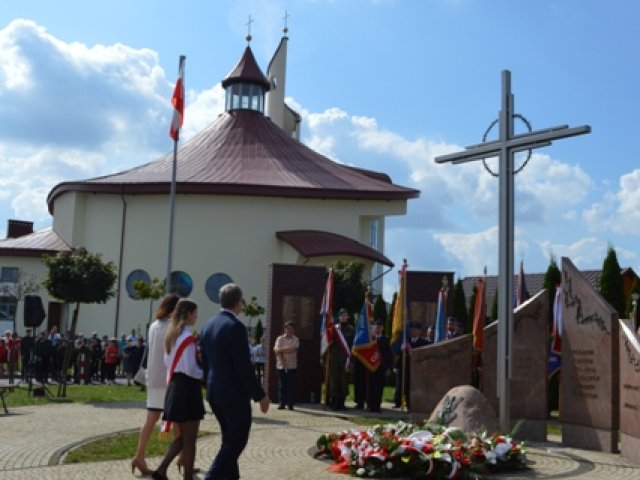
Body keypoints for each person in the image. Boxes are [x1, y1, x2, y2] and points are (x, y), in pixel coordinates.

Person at [200, 283, 269, 480]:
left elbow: (204, 362)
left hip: (215, 393)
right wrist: (260, 395)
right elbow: (243, 366)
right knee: (236, 441)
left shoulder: (208, 325)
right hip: (233, 395)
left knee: (228, 440)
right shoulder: (235, 326)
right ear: (239, 303)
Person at [152, 298, 203, 480]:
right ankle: (187, 477)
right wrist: (203, 374)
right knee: (190, 439)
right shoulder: (187, 338)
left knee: (182, 437)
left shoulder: (171, 335)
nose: (196, 317)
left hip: (175, 386)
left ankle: (161, 470)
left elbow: (169, 363)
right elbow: (190, 368)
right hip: (187, 388)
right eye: (195, 313)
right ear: (188, 314)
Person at [131, 293, 180, 476]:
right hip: (166, 377)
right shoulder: (172, 327)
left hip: (153, 376)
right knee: (176, 418)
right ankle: (182, 457)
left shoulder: (153, 325)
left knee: (152, 418)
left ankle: (140, 455)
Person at [393, 322, 427, 409]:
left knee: (412, 387)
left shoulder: (424, 342)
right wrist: (397, 366)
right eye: (412, 330)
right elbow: (400, 356)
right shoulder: (406, 341)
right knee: (401, 384)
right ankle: (398, 402)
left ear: (419, 331)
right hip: (405, 367)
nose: (414, 331)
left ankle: (410, 404)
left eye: (416, 330)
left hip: (417, 368)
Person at [326, 308, 354, 411]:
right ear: (339, 317)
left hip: (345, 359)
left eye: (345, 315)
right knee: (334, 381)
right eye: (341, 315)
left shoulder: (351, 330)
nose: (343, 317)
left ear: (348, 317)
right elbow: (328, 343)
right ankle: (334, 403)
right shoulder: (334, 329)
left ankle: (342, 403)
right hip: (334, 359)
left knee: (344, 381)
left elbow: (353, 346)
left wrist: (351, 361)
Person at [367, 319, 393, 413]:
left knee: (379, 387)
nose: (378, 328)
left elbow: (389, 355)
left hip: (382, 367)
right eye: (376, 327)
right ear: (373, 328)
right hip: (371, 366)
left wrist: (389, 368)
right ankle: (370, 405)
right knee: (371, 386)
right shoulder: (370, 338)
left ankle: (377, 406)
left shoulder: (386, 339)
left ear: (382, 328)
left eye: (380, 327)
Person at [273, 321, 299, 410]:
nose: (289, 330)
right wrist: (279, 351)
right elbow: (276, 351)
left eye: (291, 328)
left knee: (290, 386)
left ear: (294, 330)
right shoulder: (279, 339)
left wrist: (280, 350)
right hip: (281, 366)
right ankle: (282, 403)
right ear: (285, 329)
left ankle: (290, 404)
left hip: (292, 366)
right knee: (282, 386)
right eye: (288, 328)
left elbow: (292, 349)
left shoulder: (295, 339)